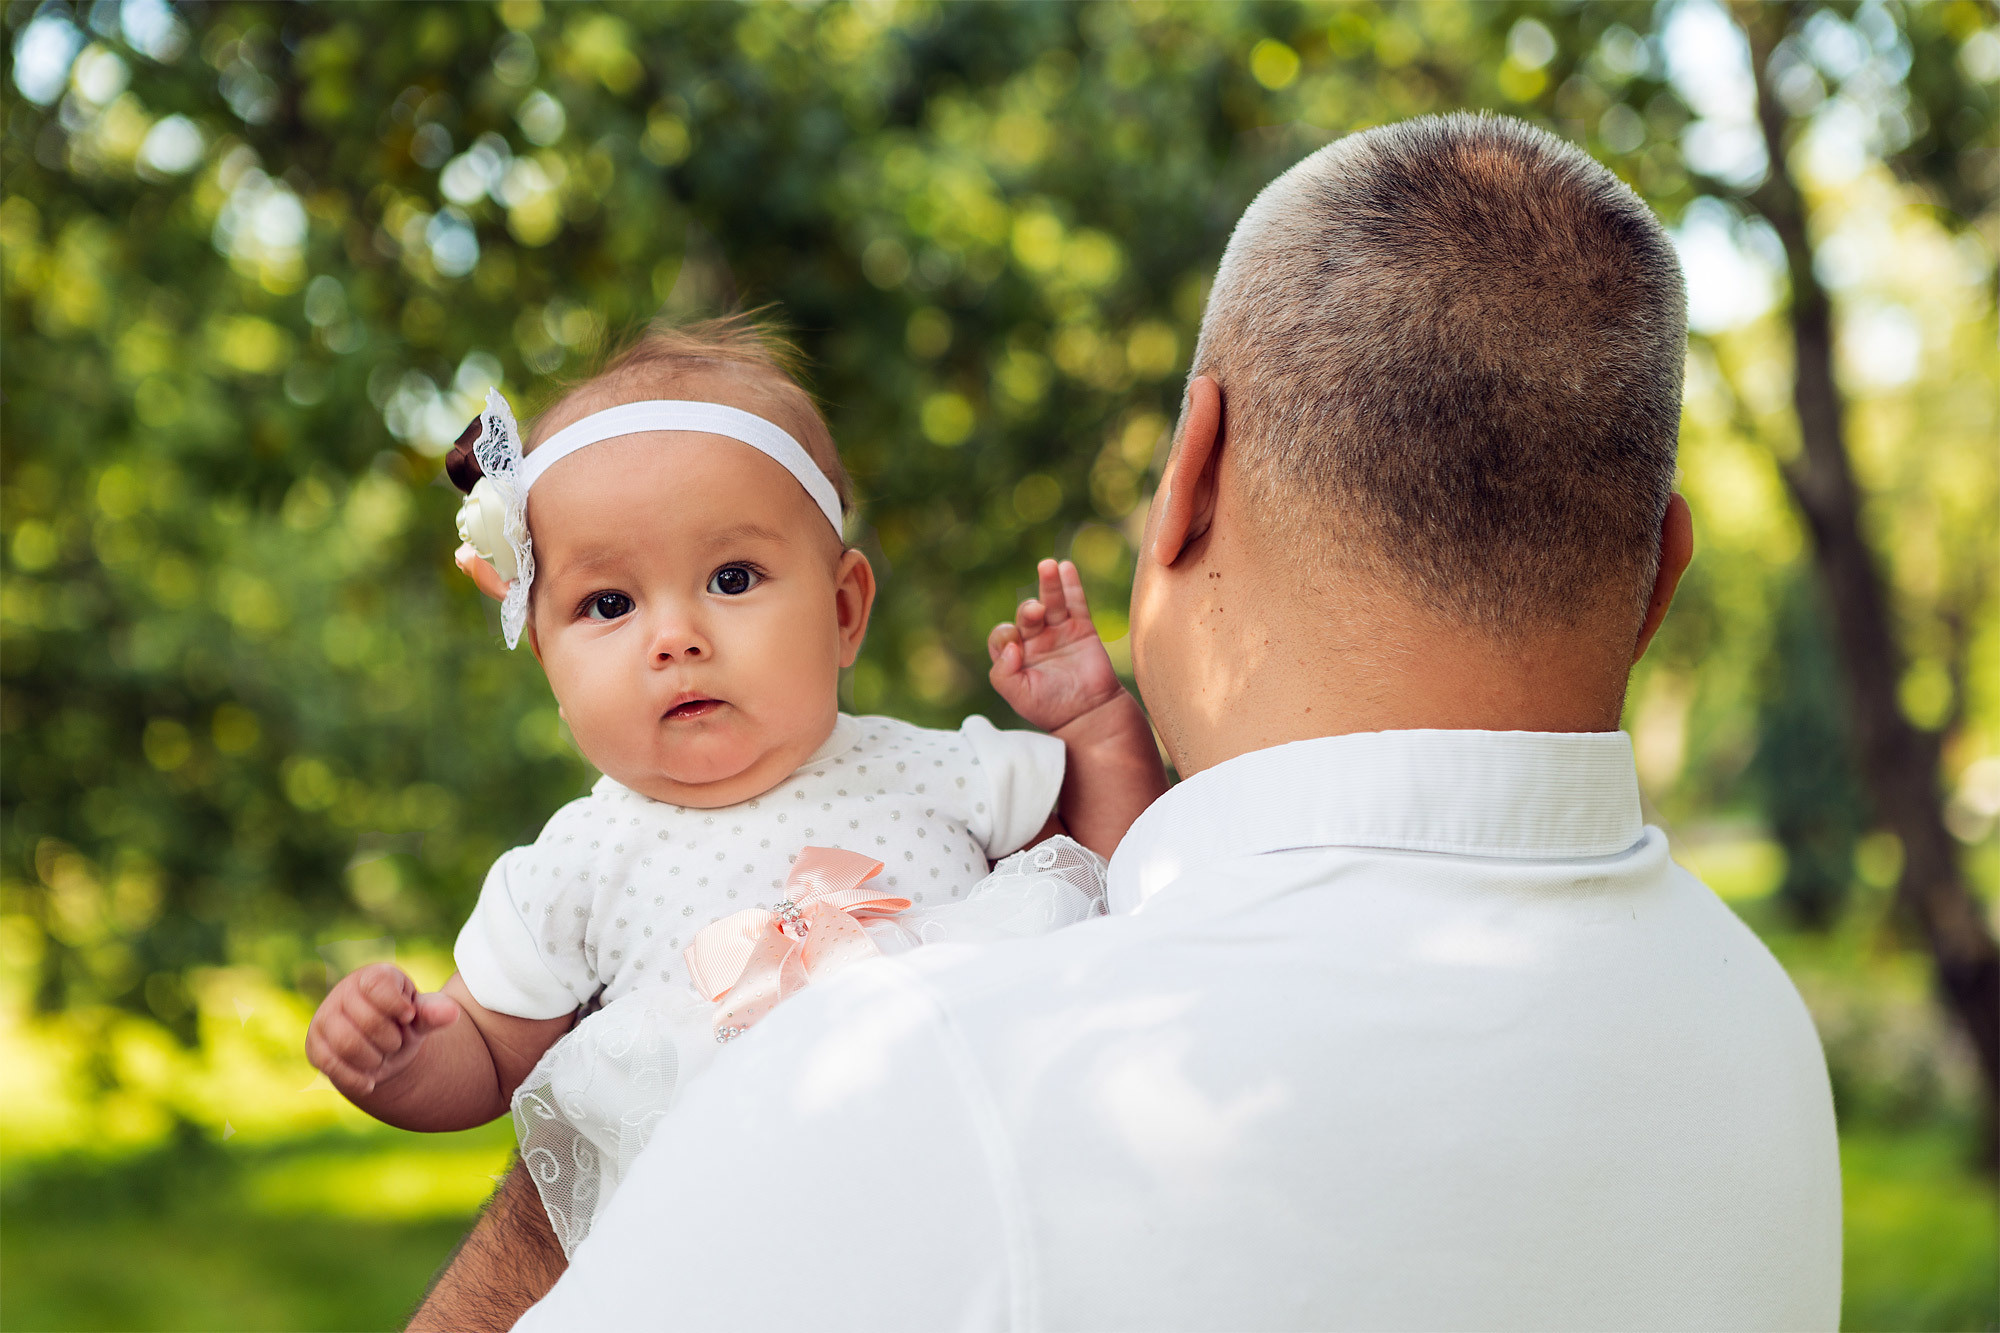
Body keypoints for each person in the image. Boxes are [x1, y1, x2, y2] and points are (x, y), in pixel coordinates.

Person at [414, 112, 1842, 1332]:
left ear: (1189, 480)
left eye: (732, 578)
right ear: (1660, 575)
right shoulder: (1760, 1041)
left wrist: (594, 1169)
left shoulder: (912, 1069)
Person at [305, 316, 1168, 1255]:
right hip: (728, 1253)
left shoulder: (940, 770)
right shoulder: (573, 865)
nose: (675, 637)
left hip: (980, 1207)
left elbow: (1118, 880)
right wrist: (398, 1059)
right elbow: (486, 1055)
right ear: (546, 655)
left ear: (843, 609)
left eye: (731, 576)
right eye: (609, 603)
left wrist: (1096, 725)